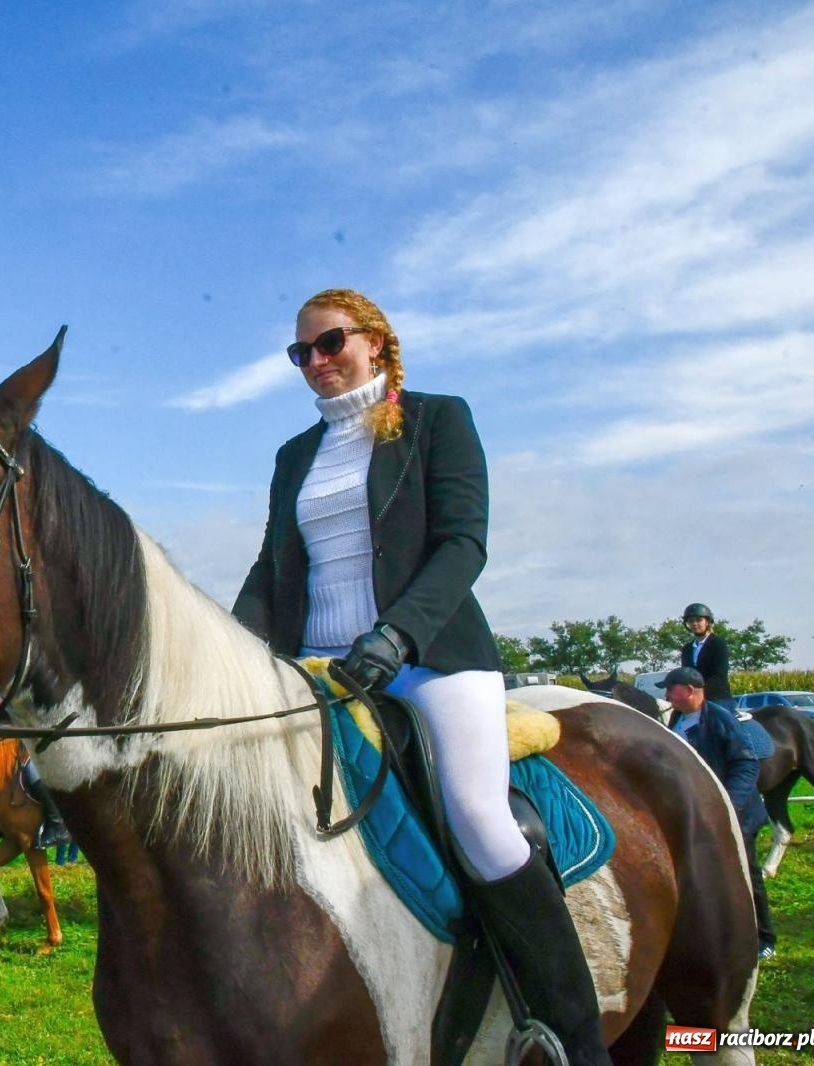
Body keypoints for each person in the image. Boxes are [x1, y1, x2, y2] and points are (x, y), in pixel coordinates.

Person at [233, 288, 610, 1064]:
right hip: (317, 665)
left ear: (376, 341)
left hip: (428, 657)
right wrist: (233, 649)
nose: (315, 363)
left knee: (477, 816)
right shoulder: (294, 457)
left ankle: (569, 1032)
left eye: (329, 343)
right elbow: (274, 568)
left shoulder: (440, 419)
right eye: (299, 353)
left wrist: (396, 635)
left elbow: (463, 543)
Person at [657, 666, 775, 959]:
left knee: (746, 874)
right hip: (698, 813)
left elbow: (746, 764)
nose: (667, 695)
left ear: (690, 690)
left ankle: (764, 937)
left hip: (736, 815)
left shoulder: (721, 720)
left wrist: (727, 807)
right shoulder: (678, 718)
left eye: (671, 689)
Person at [679, 603, 733, 708]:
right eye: (691, 621)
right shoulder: (687, 649)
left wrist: (698, 691)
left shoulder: (718, 643)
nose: (694, 624)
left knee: (721, 723)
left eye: (698, 620)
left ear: (707, 622)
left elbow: (719, 674)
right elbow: (686, 674)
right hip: (694, 699)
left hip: (717, 698)